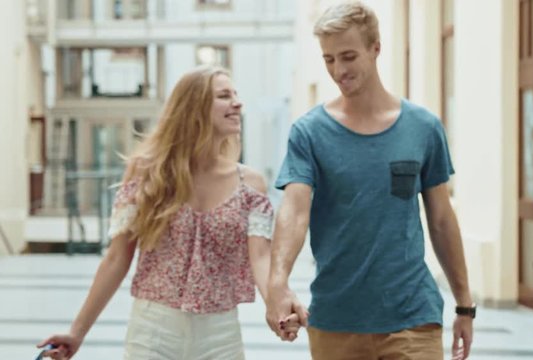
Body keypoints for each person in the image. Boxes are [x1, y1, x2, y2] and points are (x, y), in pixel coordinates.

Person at [36, 66, 302, 360]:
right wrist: (77, 332)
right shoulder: (147, 174)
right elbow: (116, 258)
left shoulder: (250, 184)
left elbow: (261, 258)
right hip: (152, 332)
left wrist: (277, 305)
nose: (237, 103)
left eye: (236, 95)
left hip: (221, 334)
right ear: (194, 107)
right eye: (224, 96)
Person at [265, 2, 474, 359]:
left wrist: (464, 306)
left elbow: (441, 220)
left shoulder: (422, 128)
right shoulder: (309, 133)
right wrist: (277, 280)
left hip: (412, 318)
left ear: (376, 48)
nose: (338, 70)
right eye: (329, 59)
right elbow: (295, 211)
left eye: (348, 56)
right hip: (336, 321)